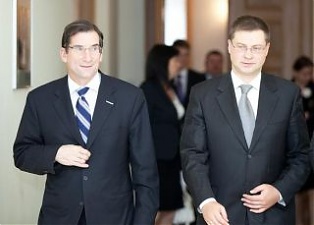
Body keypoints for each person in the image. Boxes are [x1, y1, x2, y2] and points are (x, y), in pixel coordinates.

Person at [13, 19, 159, 225]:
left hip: (115, 217)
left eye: (94, 48)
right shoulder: (40, 99)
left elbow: (146, 172)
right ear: (64, 53)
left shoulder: (130, 97)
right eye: (79, 48)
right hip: (60, 217)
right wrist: (56, 153)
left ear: (101, 54)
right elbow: (22, 153)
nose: (87, 57)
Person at [180, 15, 310, 225]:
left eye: (256, 48)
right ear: (230, 47)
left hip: (273, 215)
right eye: (241, 46)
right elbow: (192, 155)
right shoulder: (203, 94)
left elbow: (301, 156)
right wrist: (206, 201)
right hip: (219, 214)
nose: (248, 54)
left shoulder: (288, 94)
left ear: (267, 49)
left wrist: (278, 191)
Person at [141, 44, 185, 225]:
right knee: (156, 210)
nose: (179, 64)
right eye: (175, 60)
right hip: (157, 161)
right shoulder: (148, 89)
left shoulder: (170, 88)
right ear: (163, 63)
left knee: (171, 209)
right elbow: (143, 127)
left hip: (173, 159)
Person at [292, 55, 314, 225]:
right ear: (296, 73)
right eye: (305, 73)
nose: (308, 77)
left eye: (310, 74)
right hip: (294, 145)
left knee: (310, 192)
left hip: (311, 143)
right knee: (297, 190)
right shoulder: (288, 89)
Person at [172, 39, 205, 109]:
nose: (183, 58)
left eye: (186, 55)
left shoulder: (199, 78)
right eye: (180, 54)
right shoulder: (167, 78)